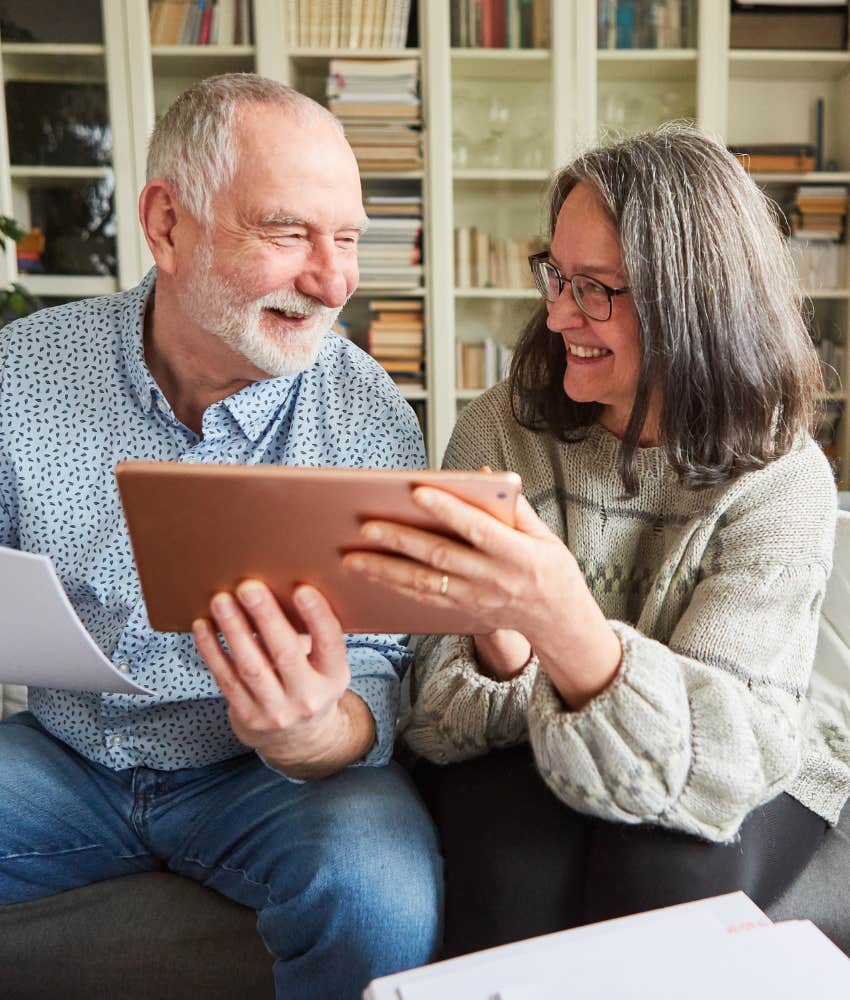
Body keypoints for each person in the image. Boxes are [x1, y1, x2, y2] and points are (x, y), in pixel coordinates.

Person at [343, 123, 850, 957]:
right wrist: (509, 652)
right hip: (531, 750)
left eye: (594, 289)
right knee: (506, 871)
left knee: (664, 883)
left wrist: (563, 622)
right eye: (555, 275)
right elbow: (432, 716)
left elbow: (723, 761)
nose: (556, 314)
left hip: (750, 763)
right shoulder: (499, 433)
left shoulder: (783, 478)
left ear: (693, 302)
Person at [0, 74, 441, 998]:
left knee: (377, 899)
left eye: (350, 239)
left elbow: (383, 664)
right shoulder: (21, 373)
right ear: (166, 225)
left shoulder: (366, 418)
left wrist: (315, 733)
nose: (334, 281)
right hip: (61, 757)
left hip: (269, 782)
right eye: (289, 234)